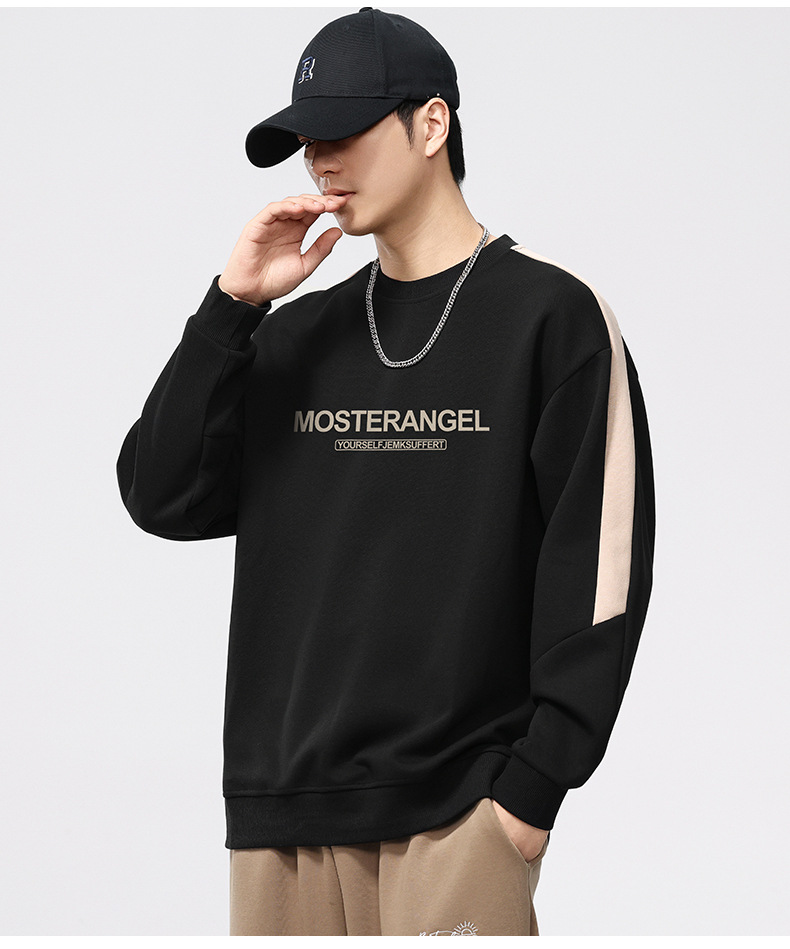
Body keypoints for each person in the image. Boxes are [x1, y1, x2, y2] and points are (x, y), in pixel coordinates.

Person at [116, 6, 655, 937]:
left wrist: (531, 792)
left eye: (345, 129)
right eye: (306, 140)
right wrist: (231, 308)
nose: (319, 158)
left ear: (432, 124)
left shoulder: (550, 317)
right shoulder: (294, 336)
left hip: (458, 819)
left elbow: (600, 564)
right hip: (281, 819)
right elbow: (160, 494)